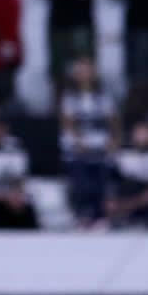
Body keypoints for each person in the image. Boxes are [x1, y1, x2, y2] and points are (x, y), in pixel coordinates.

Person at [57, 56, 120, 227]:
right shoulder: (70, 96)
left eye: (88, 71)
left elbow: (113, 120)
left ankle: (100, 214)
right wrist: (79, 142)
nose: (85, 75)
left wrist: (114, 140)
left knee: (102, 179)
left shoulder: (103, 95)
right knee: (81, 180)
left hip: (100, 142)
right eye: (81, 71)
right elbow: (68, 122)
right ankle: (81, 213)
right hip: (78, 145)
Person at [106, 119, 148, 228]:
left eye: (147, 134)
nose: (143, 137)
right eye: (140, 133)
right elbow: (114, 179)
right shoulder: (123, 156)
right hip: (129, 194)